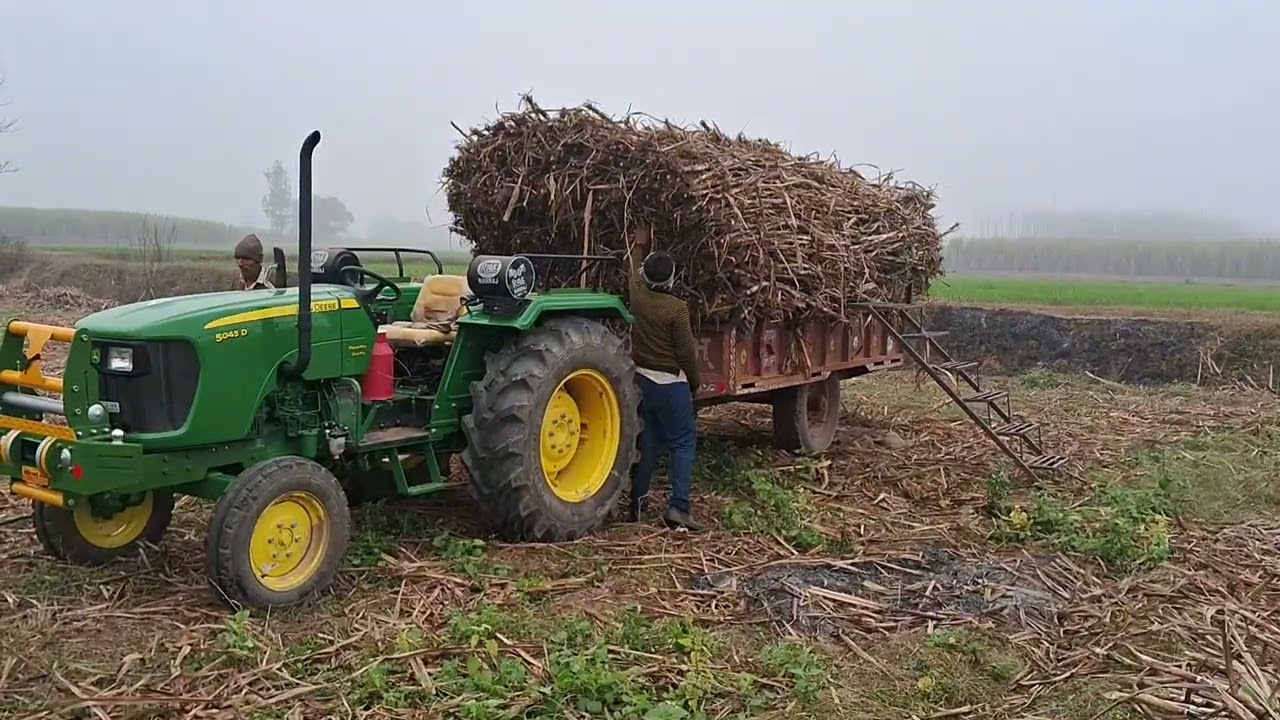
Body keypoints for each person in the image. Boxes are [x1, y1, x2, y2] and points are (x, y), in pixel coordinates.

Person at [626, 227, 702, 532]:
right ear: (671, 279)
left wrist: (638, 246)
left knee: (650, 441)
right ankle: (679, 507)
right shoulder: (676, 309)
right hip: (671, 385)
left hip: (642, 381)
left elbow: (632, 269)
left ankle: (638, 502)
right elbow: (686, 353)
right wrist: (694, 383)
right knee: (683, 443)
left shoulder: (637, 295)